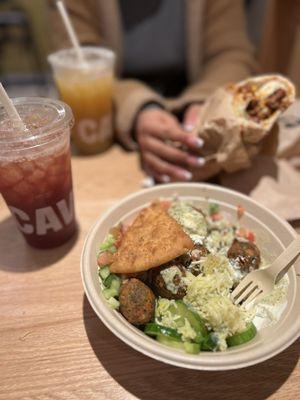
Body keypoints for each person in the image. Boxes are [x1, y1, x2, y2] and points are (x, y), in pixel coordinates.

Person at [49, 0, 257, 182]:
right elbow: (77, 64)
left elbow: (232, 54)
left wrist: (205, 102)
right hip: (116, 133)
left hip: (196, 121)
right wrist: (139, 108)